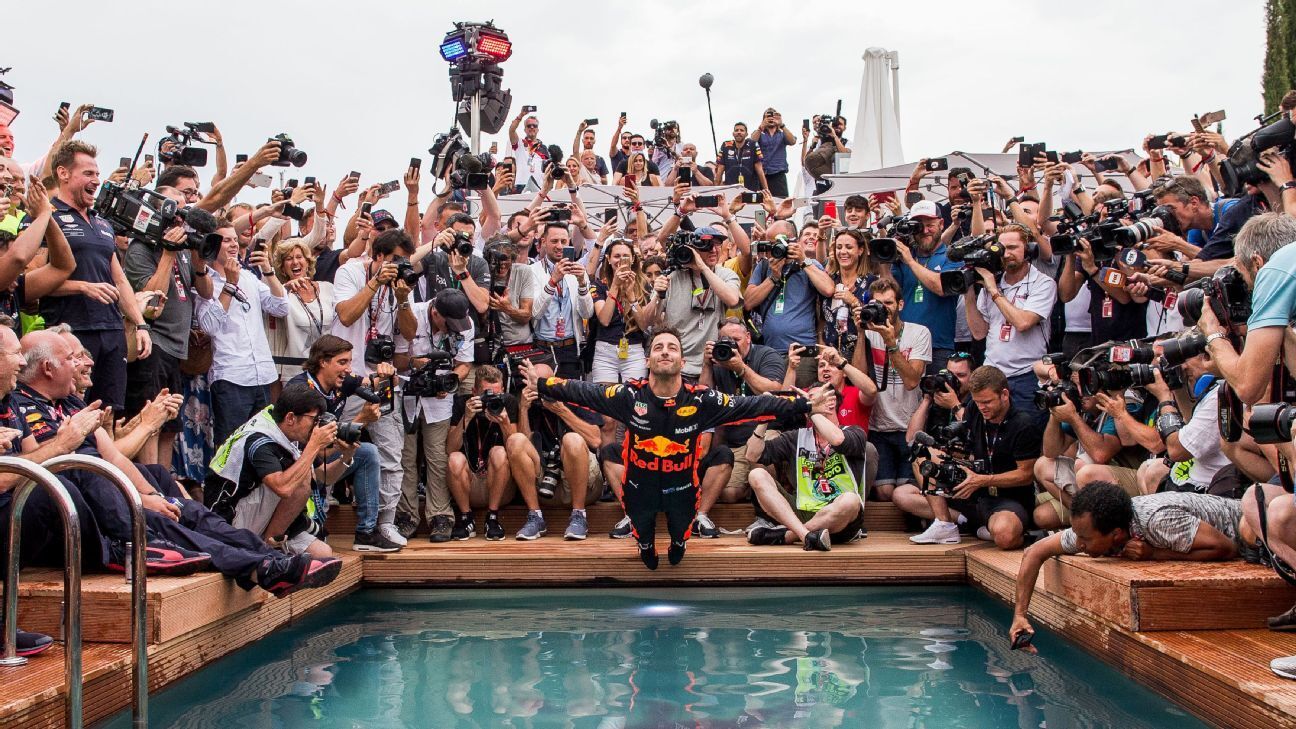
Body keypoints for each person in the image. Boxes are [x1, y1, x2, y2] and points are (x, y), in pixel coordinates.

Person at [13, 329, 342, 596]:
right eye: (71, 358)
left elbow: (112, 456)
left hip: (111, 499)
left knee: (182, 505)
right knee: (87, 471)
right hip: (73, 518)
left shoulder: (68, 402)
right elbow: (58, 467)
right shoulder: (22, 404)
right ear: (48, 368)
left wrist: (152, 496)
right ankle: (257, 567)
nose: (82, 363)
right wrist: (139, 495)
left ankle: (268, 559)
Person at [521, 328, 832, 570]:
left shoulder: (701, 399)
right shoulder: (629, 395)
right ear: (648, 361)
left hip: (682, 487)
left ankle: (678, 544)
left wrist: (804, 403)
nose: (665, 352)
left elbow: (754, 404)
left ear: (684, 362)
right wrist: (542, 384)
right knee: (642, 535)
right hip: (639, 488)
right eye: (658, 347)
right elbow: (584, 391)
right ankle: (644, 545)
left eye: (672, 348)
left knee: (680, 537)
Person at [1009, 482, 1242, 653]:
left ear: (1116, 534)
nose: (1078, 544)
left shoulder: (1158, 520)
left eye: (1085, 539)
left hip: (1251, 527)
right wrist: (1020, 616)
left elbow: (1226, 548)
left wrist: (1155, 554)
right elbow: (1034, 553)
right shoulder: (1093, 529)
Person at [43, 140, 151, 413]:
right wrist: (82, 287)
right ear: (63, 173)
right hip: (71, 332)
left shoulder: (102, 223)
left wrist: (140, 325)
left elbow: (120, 280)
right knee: (74, 411)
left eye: (97, 174)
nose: (97, 180)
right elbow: (30, 282)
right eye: (88, 173)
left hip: (111, 330)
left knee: (110, 412)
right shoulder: (47, 217)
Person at [331, 228, 417, 546]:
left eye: (404, 261)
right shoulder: (350, 271)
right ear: (377, 257)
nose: (400, 266)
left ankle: (384, 524)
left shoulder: (399, 284)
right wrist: (376, 281)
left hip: (380, 380)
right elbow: (347, 314)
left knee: (391, 454)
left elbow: (408, 333)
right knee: (333, 446)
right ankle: (315, 520)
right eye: (395, 260)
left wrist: (403, 298)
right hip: (345, 379)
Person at [901, 366, 1042, 548]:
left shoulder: (1023, 424)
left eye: (987, 402)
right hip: (972, 489)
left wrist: (982, 480)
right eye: (977, 402)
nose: (982, 407)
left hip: (1006, 498)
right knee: (922, 454)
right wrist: (952, 456)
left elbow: (1026, 475)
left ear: (1004, 395)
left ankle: (1025, 535)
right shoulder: (974, 409)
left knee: (1005, 536)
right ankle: (945, 524)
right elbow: (969, 447)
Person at [206, 382, 351, 557]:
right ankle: (269, 548)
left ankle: (271, 544)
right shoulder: (259, 440)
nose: (317, 426)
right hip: (229, 521)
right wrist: (314, 446)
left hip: (258, 514)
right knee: (300, 479)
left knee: (323, 554)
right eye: (314, 419)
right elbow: (283, 487)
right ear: (290, 418)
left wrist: (347, 456)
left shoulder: (289, 432)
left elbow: (323, 476)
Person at [284, 336, 399, 552]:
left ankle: (366, 533)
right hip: (297, 466)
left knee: (368, 453)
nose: (348, 369)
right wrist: (362, 420)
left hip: (322, 456)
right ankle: (305, 528)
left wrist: (389, 375)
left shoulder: (341, 380)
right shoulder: (303, 391)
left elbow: (377, 383)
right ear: (323, 362)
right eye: (342, 362)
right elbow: (316, 451)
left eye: (349, 362)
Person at [745, 384, 870, 551]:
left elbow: (837, 440)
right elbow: (752, 455)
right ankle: (806, 536)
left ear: (831, 402)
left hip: (841, 522)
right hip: (802, 513)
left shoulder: (855, 432)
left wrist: (812, 409)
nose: (806, 404)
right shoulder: (796, 437)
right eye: (805, 401)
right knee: (757, 474)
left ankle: (787, 537)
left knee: (850, 501)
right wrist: (764, 417)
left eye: (811, 399)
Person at [197, 221, 288, 448]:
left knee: (261, 446)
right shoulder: (203, 279)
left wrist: (268, 270)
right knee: (231, 447)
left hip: (262, 374)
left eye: (235, 240)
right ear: (212, 245)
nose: (233, 245)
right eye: (226, 240)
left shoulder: (249, 277)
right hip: (231, 376)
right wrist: (229, 284)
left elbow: (281, 307)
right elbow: (209, 326)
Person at [395, 288, 476, 542]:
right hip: (407, 392)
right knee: (405, 457)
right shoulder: (412, 315)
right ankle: (406, 515)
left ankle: (441, 515)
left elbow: (465, 364)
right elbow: (396, 358)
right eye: (448, 322)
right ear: (435, 312)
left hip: (440, 399)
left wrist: (451, 379)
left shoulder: (466, 323)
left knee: (438, 457)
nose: (454, 327)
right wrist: (414, 363)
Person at [1198, 213, 1296, 404]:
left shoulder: (1274, 270)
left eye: (1245, 280)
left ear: (1257, 263)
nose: (1249, 291)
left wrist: (1213, 333)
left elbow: (1248, 388)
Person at [965, 225, 1058, 424]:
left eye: (1013, 247)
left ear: (1029, 249)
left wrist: (994, 291)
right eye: (1002, 248)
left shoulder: (1043, 283)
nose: (1006, 254)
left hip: (1026, 375)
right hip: (992, 373)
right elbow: (979, 332)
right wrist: (968, 292)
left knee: (1027, 435)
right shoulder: (992, 282)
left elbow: (1023, 322)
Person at [506, 363, 604, 540]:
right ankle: (535, 516)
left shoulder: (574, 396)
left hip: (584, 484)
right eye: (533, 384)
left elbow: (596, 440)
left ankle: (579, 515)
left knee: (571, 439)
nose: (539, 389)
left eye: (542, 383)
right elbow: (522, 449)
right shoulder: (529, 405)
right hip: (544, 486)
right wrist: (523, 409)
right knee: (515, 440)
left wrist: (561, 410)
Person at [699, 317, 788, 510]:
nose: (732, 346)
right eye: (725, 340)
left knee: (761, 451)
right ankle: (752, 489)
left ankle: (771, 511)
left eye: (736, 340)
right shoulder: (718, 360)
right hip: (735, 441)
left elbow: (773, 392)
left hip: (765, 431)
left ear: (748, 337)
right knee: (728, 494)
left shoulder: (767, 355)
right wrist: (706, 365)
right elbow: (704, 397)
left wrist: (741, 369)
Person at [860, 278, 931, 501]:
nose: (882, 308)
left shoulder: (919, 333)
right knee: (884, 492)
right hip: (879, 427)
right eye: (876, 303)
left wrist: (891, 343)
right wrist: (861, 332)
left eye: (888, 303)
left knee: (907, 488)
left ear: (900, 304)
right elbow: (858, 376)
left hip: (909, 425)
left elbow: (912, 381)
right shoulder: (868, 333)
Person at [640, 229, 742, 379]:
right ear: (693, 249)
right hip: (678, 364)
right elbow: (645, 322)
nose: (713, 250)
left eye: (717, 245)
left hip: (711, 363)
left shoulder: (725, 275)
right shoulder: (672, 276)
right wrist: (657, 296)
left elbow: (733, 301)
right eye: (707, 246)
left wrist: (703, 268)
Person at [745, 222, 833, 373]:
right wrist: (773, 278)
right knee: (772, 396)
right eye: (771, 244)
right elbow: (748, 302)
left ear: (794, 241)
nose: (776, 249)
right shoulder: (764, 266)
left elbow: (828, 289)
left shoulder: (809, 265)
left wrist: (804, 261)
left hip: (803, 352)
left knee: (801, 395)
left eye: (779, 244)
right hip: (770, 352)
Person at [447, 365, 520, 541]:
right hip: (469, 483)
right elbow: (450, 448)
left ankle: (492, 518)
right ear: (474, 392)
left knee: (500, 452)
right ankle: (466, 518)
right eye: (486, 395)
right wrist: (467, 417)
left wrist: (504, 423)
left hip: (498, 484)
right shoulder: (461, 403)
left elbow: (515, 449)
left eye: (496, 394)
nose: (491, 400)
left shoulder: (508, 402)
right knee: (455, 458)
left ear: (502, 390)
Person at [890, 200, 959, 369]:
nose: (925, 231)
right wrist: (886, 259)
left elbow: (941, 287)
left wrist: (911, 262)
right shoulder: (904, 256)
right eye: (919, 226)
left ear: (941, 224)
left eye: (930, 225)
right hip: (905, 342)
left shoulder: (952, 255)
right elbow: (890, 290)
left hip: (938, 345)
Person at [530, 222, 595, 379]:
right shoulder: (533, 271)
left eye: (563, 241)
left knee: (569, 400)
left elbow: (587, 313)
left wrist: (581, 284)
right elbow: (535, 313)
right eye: (554, 241)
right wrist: (553, 281)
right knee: (542, 400)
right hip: (542, 349)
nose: (559, 246)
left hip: (571, 348)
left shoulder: (577, 270)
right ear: (543, 241)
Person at [270, 240, 335, 383]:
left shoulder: (328, 288)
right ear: (282, 268)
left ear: (308, 262)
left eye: (299, 257)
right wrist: (285, 289)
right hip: (296, 372)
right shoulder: (281, 294)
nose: (295, 262)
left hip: (328, 371)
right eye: (289, 258)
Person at [590, 239, 649, 383]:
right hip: (605, 350)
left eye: (626, 256)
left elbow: (643, 325)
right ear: (608, 259)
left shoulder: (643, 284)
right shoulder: (599, 285)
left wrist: (631, 297)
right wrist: (615, 286)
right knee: (604, 399)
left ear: (633, 259)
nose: (621, 260)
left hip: (634, 350)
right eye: (617, 256)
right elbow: (604, 319)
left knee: (634, 398)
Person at [820, 229, 877, 363]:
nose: (843, 252)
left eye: (849, 247)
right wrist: (822, 347)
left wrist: (853, 301)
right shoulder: (829, 281)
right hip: (830, 356)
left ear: (860, 250)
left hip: (860, 354)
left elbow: (875, 321)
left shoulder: (871, 282)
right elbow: (821, 320)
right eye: (839, 247)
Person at [754, 108, 797, 198]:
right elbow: (751, 142)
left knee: (780, 205)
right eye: (768, 116)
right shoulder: (760, 133)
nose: (771, 119)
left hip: (779, 174)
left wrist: (782, 125)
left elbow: (792, 141)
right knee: (761, 206)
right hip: (762, 175)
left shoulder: (782, 134)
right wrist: (761, 126)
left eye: (773, 116)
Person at [715, 122, 766, 193]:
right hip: (730, 190)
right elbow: (719, 171)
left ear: (746, 134)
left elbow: (760, 170)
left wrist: (766, 190)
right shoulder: (726, 145)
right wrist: (715, 191)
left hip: (751, 190)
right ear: (733, 133)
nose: (739, 132)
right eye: (736, 130)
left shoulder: (753, 145)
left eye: (742, 130)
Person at [508, 112, 548, 193]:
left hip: (539, 185)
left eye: (534, 126)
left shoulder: (543, 148)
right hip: (521, 184)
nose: (532, 127)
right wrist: (521, 115)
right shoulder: (520, 143)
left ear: (538, 129)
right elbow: (511, 130)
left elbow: (547, 169)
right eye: (529, 126)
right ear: (525, 129)